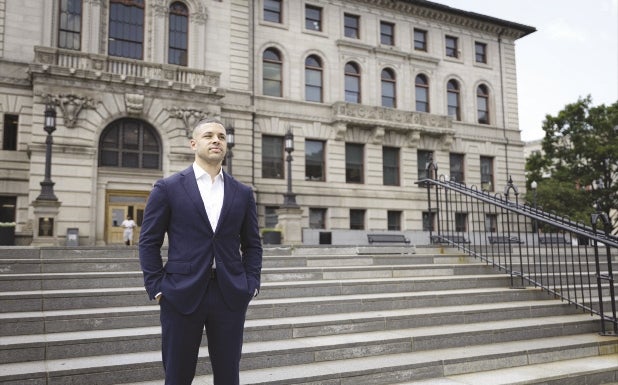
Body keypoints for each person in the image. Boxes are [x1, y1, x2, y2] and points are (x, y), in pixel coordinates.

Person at [138, 118, 262, 385]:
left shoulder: (242, 193)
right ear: (194, 144)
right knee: (178, 375)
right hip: (180, 293)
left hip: (229, 293)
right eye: (208, 135)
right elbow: (149, 241)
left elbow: (252, 245)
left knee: (228, 375)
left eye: (221, 136)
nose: (216, 140)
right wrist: (157, 288)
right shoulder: (168, 188)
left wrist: (251, 284)